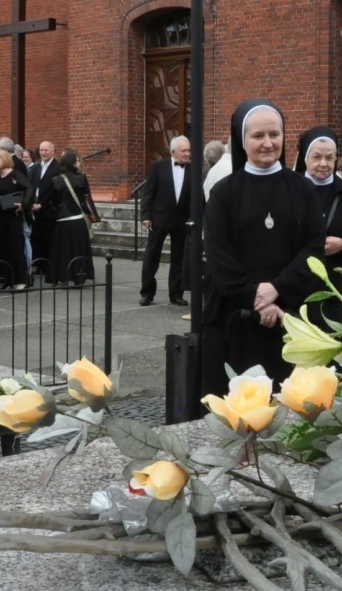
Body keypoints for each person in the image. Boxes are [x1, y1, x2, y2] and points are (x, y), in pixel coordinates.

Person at [201, 99, 326, 391]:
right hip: (236, 318)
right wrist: (256, 295)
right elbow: (219, 254)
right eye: (258, 136)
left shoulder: (303, 190)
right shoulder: (224, 193)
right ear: (242, 141)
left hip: (290, 315)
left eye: (275, 134)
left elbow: (314, 247)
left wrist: (278, 288)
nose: (268, 143)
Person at [295, 127, 342, 316]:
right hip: (298, 286)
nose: (323, 163)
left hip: (338, 290)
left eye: (329, 158)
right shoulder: (290, 191)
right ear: (305, 157)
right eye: (316, 157)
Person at [139, 135, 192, 305]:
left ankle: (176, 293)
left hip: (182, 220)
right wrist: (145, 215)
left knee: (179, 258)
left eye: (188, 150)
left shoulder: (193, 169)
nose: (187, 154)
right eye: (184, 150)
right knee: (152, 255)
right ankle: (147, 292)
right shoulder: (158, 167)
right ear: (173, 152)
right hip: (159, 218)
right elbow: (148, 192)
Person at [46, 148, 96, 286]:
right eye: (77, 160)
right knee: (79, 249)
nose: (79, 163)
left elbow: (52, 200)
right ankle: (79, 276)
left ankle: (63, 278)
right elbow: (87, 200)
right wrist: (93, 217)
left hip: (62, 220)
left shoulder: (55, 180)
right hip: (78, 219)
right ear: (72, 163)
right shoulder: (81, 178)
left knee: (62, 251)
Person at [0, 148, 31, 290]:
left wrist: (24, 205)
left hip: (13, 217)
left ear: (4, 159)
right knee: (1, 247)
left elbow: (29, 188)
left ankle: (21, 280)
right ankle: (6, 279)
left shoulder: (15, 174)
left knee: (15, 247)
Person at [28, 141, 60, 270]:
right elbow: (30, 186)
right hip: (34, 209)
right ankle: (39, 264)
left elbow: (54, 189)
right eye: (41, 150)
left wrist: (42, 204)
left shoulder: (57, 168)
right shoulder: (35, 168)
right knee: (36, 237)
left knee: (49, 238)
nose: (43, 153)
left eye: (46, 150)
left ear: (53, 151)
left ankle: (49, 266)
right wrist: (31, 203)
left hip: (49, 209)